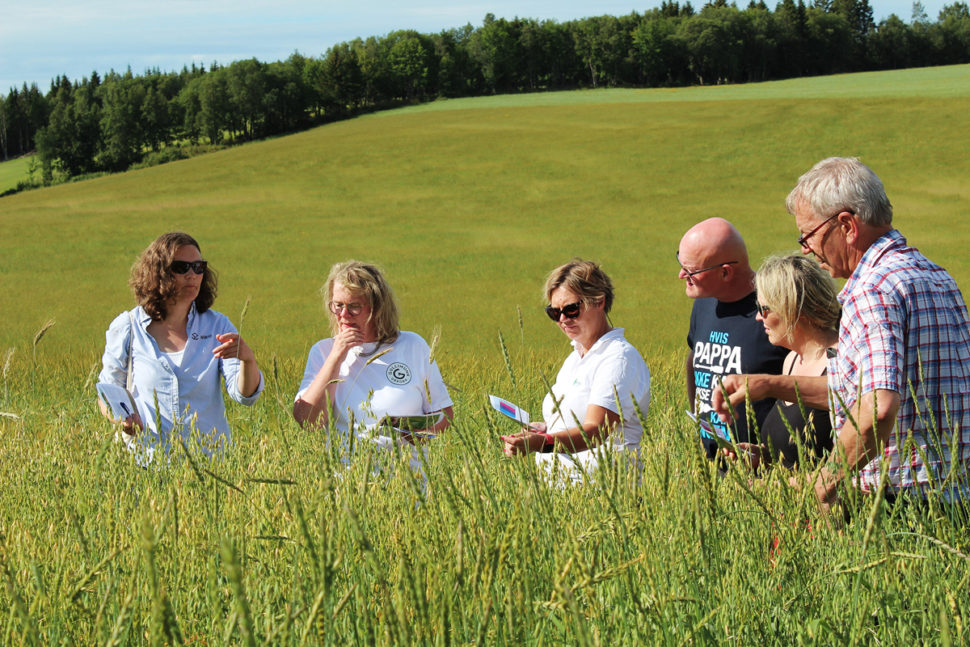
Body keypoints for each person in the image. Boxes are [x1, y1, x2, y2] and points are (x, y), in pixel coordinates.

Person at [714, 157, 970, 509]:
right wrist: (768, 384)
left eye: (809, 235)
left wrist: (822, 483)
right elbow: (864, 391)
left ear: (847, 226)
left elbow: (877, 408)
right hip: (956, 500)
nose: (806, 248)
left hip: (898, 504)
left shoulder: (871, 290)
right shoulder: (939, 277)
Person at [97, 232, 264, 463]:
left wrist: (248, 360)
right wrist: (122, 420)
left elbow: (244, 396)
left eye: (198, 267)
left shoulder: (217, 325)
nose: (192, 275)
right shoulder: (129, 327)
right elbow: (107, 393)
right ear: (158, 272)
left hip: (210, 463)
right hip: (147, 462)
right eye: (182, 267)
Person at [502, 259, 651, 483]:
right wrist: (541, 430)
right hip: (565, 497)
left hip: (605, 494)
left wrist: (541, 443)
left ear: (599, 301)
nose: (563, 319)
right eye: (554, 313)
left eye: (571, 309)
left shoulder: (618, 358)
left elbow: (595, 431)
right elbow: (570, 422)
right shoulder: (575, 358)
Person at [293, 261, 453, 467]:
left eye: (354, 307)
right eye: (337, 306)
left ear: (377, 308)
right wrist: (336, 356)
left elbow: (444, 415)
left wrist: (424, 433)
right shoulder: (322, 352)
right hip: (348, 485)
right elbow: (308, 422)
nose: (343, 316)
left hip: (409, 483)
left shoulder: (413, 345)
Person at [678, 218, 788, 457]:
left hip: (765, 473)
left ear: (725, 272)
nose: (680, 275)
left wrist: (771, 456)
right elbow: (694, 358)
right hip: (713, 465)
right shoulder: (703, 303)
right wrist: (698, 419)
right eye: (681, 262)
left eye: (690, 270)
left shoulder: (775, 309)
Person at [725, 254, 839, 471]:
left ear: (793, 308)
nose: (758, 318)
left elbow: (843, 464)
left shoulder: (840, 362)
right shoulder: (792, 360)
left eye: (764, 309)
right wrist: (762, 456)